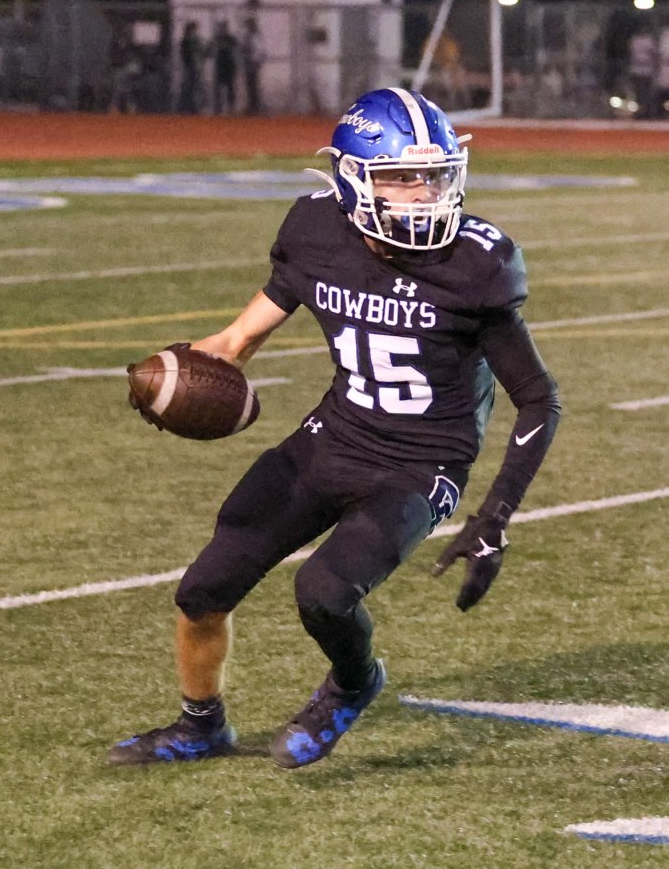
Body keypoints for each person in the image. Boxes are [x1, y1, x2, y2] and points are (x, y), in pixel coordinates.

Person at [109, 87, 561, 770]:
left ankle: (354, 682)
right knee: (201, 591)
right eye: (400, 177)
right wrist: (173, 374)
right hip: (335, 435)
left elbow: (538, 399)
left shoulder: (476, 266)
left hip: (422, 464)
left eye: (435, 175)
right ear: (352, 178)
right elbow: (238, 339)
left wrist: (493, 517)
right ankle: (201, 726)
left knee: (323, 593)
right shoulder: (316, 232)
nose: (423, 193)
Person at [177, 21, 205, 115]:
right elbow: (189, 53)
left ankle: (192, 107)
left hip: (194, 66)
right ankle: (188, 107)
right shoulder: (187, 41)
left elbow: (201, 52)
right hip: (190, 66)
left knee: (194, 87)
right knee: (190, 87)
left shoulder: (193, 41)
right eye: (194, 30)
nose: (195, 32)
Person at [212, 20, 238, 115]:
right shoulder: (217, 38)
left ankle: (231, 107)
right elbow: (210, 49)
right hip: (220, 67)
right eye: (220, 27)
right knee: (218, 88)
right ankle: (218, 107)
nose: (222, 29)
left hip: (229, 66)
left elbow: (235, 50)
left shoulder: (231, 38)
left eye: (223, 27)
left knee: (230, 88)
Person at [241, 17, 265, 115]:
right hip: (249, 62)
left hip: (253, 62)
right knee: (250, 86)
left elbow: (259, 50)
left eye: (249, 25)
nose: (248, 27)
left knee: (253, 86)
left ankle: (255, 107)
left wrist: (257, 62)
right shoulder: (248, 36)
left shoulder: (256, 36)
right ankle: (252, 106)